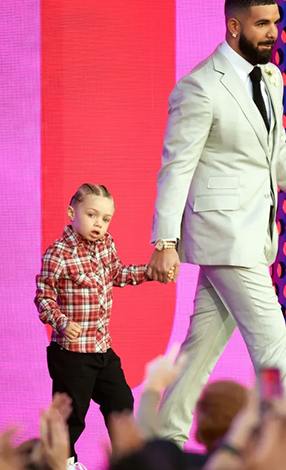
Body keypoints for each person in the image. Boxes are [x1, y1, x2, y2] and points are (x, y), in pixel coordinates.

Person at [147, 0, 286, 444]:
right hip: (225, 232)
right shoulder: (199, 87)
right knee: (273, 349)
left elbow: (277, 153)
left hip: (252, 233)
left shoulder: (271, 78)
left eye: (274, 22)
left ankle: (160, 438)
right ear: (234, 27)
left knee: (202, 347)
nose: (272, 33)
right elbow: (176, 167)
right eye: (261, 24)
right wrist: (164, 242)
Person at [34, 183, 171, 467]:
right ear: (73, 212)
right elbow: (43, 297)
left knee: (121, 403)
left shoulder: (106, 244)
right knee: (71, 417)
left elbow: (117, 273)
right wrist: (61, 322)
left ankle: (126, 458)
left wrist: (149, 272)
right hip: (72, 355)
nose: (99, 223)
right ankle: (64, 462)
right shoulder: (59, 253)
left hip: (101, 349)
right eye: (92, 215)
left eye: (106, 218)